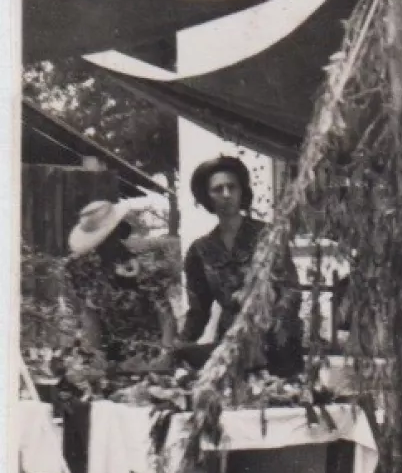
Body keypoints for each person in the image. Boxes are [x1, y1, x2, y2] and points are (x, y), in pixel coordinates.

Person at [180, 155, 304, 377]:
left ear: (241, 192)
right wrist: (180, 345)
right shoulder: (200, 250)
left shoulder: (267, 236)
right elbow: (199, 310)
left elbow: (291, 290)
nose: (226, 195)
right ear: (207, 197)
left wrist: (276, 326)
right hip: (230, 347)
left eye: (232, 187)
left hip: (276, 345)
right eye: (217, 189)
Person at [62, 198, 178, 373]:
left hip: (147, 350)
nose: (104, 245)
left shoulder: (143, 265)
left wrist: (166, 352)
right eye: (99, 242)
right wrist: (95, 355)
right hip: (110, 351)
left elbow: (165, 313)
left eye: (110, 237)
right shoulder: (80, 267)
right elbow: (89, 313)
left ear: (119, 232)